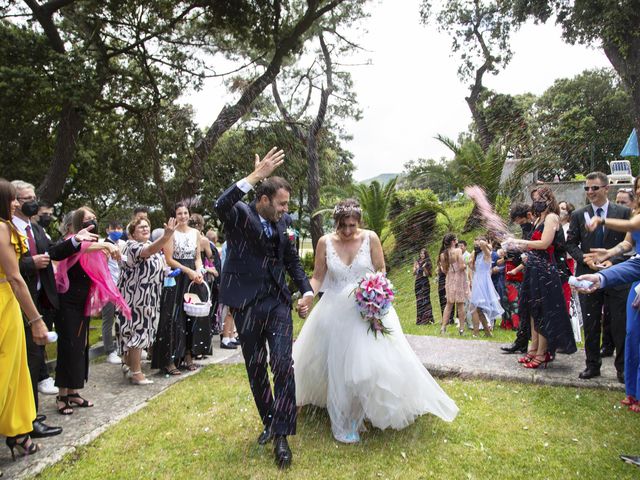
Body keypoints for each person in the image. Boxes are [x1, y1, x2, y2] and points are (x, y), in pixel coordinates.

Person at [293, 199, 458, 444]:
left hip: (368, 309)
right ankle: (345, 416)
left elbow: (380, 270)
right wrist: (307, 297)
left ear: (359, 222)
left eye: (351, 225)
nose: (347, 231)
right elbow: (318, 277)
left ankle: (369, 408)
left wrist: (375, 290)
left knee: (369, 364)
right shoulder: (324, 242)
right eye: (342, 226)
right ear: (335, 223)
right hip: (334, 312)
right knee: (336, 363)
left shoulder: (370, 238)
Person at [214, 148, 313, 469]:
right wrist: (255, 176)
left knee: (283, 364)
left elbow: (292, 261)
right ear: (264, 199)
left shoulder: (284, 224)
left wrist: (307, 290)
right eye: (282, 204)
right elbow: (220, 203)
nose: (286, 210)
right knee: (256, 368)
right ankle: (269, 421)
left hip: (278, 302)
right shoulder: (239, 215)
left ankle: (282, 435)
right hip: (245, 303)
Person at [12, 180, 83, 437]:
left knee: (35, 360)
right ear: (14, 201)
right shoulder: (8, 229)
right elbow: (11, 267)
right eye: (26, 198)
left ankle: (28, 412)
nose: (33, 202)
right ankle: (27, 422)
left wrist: (76, 241)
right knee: (28, 363)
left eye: (34, 197)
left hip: (44, 300)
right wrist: (30, 263)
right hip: (20, 304)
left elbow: (52, 252)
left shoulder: (35, 228)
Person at [54, 207, 130, 414]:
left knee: (81, 346)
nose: (92, 223)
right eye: (87, 220)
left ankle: (74, 391)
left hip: (82, 301)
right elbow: (79, 248)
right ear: (74, 224)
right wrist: (105, 244)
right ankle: (62, 395)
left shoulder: (94, 245)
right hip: (67, 302)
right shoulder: (71, 243)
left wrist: (106, 248)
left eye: (94, 219)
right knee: (69, 346)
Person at [566, 171, 631, 381]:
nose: (590, 192)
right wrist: (584, 258)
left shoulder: (622, 213)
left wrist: (614, 262)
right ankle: (592, 364)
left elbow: (630, 245)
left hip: (617, 275)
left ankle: (621, 369)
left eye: (594, 188)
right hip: (588, 273)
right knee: (591, 321)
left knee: (619, 323)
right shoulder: (578, 215)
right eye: (587, 188)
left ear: (606, 188)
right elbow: (570, 243)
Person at [0, 178, 48, 460]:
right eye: (11, 199)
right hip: (5, 304)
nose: (17, 203)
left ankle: (19, 434)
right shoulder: (3, 228)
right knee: (8, 373)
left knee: (14, 373)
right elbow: (16, 279)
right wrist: (36, 320)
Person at [510, 187, 577, 368]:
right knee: (533, 310)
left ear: (548, 199)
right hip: (533, 268)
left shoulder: (551, 218)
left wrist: (521, 243)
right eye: (534, 199)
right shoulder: (538, 219)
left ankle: (543, 352)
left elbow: (545, 243)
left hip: (546, 269)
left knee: (544, 311)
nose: (536, 202)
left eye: (539, 198)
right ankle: (533, 349)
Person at [118, 217, 176, 385]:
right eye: (140, 227)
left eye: (147, 226)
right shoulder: (132, 246)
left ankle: (130, 367)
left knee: (142, 333)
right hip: (136, 299)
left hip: (149, 297)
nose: (144, 229)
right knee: (137, 333)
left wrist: (167, 273)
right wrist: (166, 237)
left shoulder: (152, 247)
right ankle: (136, 373)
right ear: (132, 232)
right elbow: (147, 251)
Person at [152, 202, 205, 375]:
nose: (183, 216)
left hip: (192, 277)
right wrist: (188, 271)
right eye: (179, 213)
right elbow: (169, 259)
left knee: (191, 316)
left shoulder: (196, 233)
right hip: (177, 276)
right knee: (174, 317)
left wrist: (198, 270)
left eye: (185, 213)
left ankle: (188, 354)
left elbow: (197, 257)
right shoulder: (171, 234)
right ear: (175, 216)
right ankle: (170, 359)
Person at [469, 238, 503, 337]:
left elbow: (483, 244)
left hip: (483, 284)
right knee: (477, 309)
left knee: (475, 308)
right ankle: (487, 332)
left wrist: (484, 244)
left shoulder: (487, 255)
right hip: (478, 283)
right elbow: (472, 267)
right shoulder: (478, 256)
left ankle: (477, 332)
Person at [102, 220, 125, 365]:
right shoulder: (103, 245)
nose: (117, 230)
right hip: (108, 287)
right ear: (107, 230)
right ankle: (109, 350)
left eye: (119, 228)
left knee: (122, 318)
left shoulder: (122, 244)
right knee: (108, 318)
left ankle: (121, 347)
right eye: (113, 228)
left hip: (121, 285)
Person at [439, 233, 468, 335]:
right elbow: (461, 266)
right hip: (459, 278)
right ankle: (461, 329)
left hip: (449, 278)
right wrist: (466, 264)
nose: (457, 241)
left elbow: (444, 270)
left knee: (449, 304)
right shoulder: (458, 251)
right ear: (453, 241)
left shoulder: (443, 254)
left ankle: (443, 328)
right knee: (460, 305)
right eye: (456, 239)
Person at [413, 248, 434, 324]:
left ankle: (427, 319)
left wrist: (424, 268)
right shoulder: (417, 262)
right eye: (421, 253)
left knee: (426, 299)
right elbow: (414, 273)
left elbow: (429, 274)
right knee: (419, 300)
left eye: (423, 253)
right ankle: (420, 319)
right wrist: (416, 268)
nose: (422, 255)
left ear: (426, 254)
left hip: (424, 282)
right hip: (418, 282)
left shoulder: (428, 262)